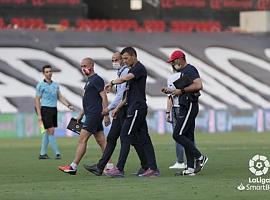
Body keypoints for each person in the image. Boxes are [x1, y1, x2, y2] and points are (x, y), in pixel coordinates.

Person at [83, 52, 148, 176]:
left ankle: (126, 168)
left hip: (124, 109)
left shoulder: (125, 73)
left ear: (123, 60)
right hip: (122, 109)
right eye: (113, 60)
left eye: (117, 59)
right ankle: (100, 166)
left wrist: (110, 108)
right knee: (113, 137)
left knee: (128, 138)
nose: (114, 62)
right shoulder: (121, 72)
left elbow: (121, 95)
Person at [104, 47, 159, 177]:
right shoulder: (133, 69)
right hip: (134, 107)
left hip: (136, 108)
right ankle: (152, 168)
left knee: (125, 135)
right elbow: (126, 95)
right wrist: (117, 108)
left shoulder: (138, 68)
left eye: (126, 58)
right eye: (123, 58)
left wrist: (111, 82)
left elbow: (125, 79)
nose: (124, 60)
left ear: (134, 56)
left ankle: (119, 169)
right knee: (144, 138)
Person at [58, 57, 111, 175]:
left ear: (92, 66)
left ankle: (73, 166)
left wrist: (106, 114)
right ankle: (110, 166)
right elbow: (88, 101)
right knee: (101, 141)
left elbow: (104, 97)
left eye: (85, 66)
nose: (83, 69)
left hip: (94, 115)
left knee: (82, 140)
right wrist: (80, 115)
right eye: (81, 66)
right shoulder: (89, 81)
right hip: (91, 114)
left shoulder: (97, 79)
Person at [162, 50, 208, 176]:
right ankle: (190, 168)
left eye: (173, 61)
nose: (172, 64)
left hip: (189, 105)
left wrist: (181, 90)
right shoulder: (183, 72)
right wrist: (171, 91)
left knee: (177, 134)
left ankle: (199, 157)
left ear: (181, 59)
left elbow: (199, 85)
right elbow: (182, 90)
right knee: (187, 136)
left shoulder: (189, 69)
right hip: (185, 104)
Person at [35, 65, 74, 160]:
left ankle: (42, 154)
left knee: (48, 132)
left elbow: (60, 97)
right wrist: (39, 115)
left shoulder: (56, 85)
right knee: (51, 131)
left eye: (50, 71)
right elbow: (37, 100)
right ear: (43, 73)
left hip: (53, 109)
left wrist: (68, 105)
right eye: (47, 72)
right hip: (45, 109)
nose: (49, 73)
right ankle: (57, 153)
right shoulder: (40, 85)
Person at [166, 66, 188, 170]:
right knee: (188, 135)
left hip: (177, 108)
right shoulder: (187, 76)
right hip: (186, 106)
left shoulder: (172, 77)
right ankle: (193, 160)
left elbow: (170, 96)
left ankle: (180, 161)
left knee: (177, 135)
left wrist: (167, 111)